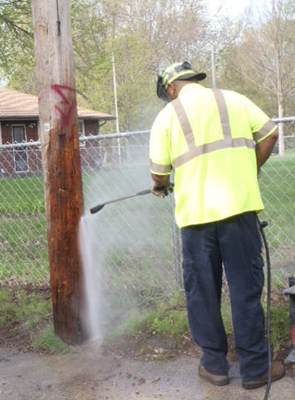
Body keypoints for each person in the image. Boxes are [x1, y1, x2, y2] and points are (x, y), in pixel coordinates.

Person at [149, 61, 285, 389]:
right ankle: (255, 368)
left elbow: (159, 173)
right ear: (195, 80)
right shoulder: (233, 99)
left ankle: (215, 367)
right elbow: (270, 132)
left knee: (203, 293)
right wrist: (249, 169)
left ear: (170, 88)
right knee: (245, 290)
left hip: (196, 221)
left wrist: (161, 184)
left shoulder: (167, 116)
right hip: (239, 212)